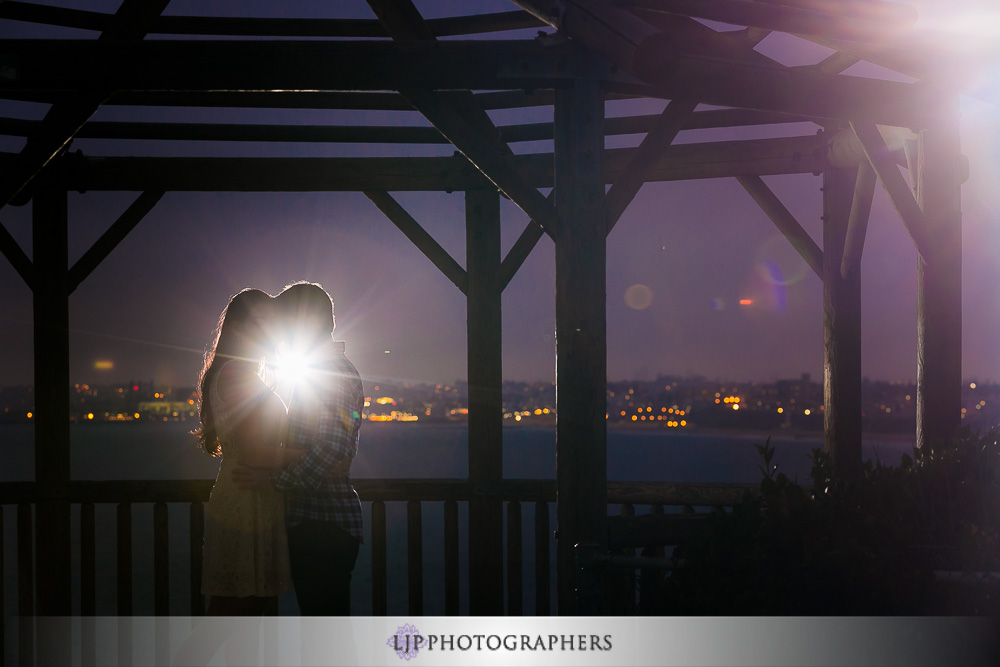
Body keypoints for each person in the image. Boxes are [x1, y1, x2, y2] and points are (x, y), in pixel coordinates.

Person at [172, 288, 304, 666]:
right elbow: (254, 452)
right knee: (232, 611)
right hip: (246, 498)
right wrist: (311, 456)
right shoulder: (237, 375)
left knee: (244, 614)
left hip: (246, 493)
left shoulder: (233, 372)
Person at [233, 281, 365, 617]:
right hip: (320, 523)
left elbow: (332, 448)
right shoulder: (321, 371)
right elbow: (329, 451)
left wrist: (272, 480)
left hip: (322, 522)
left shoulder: (330, 373)